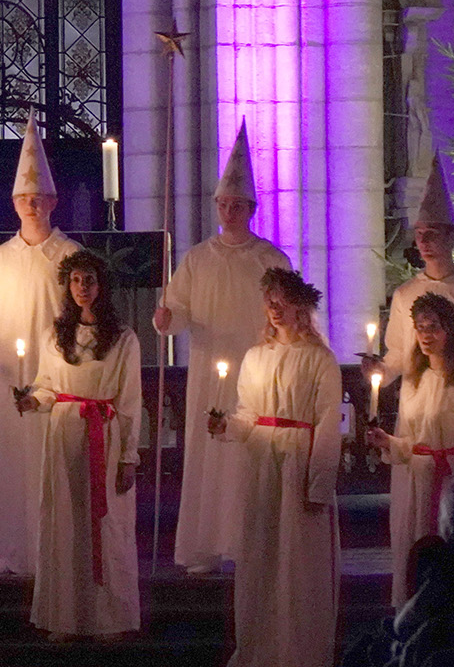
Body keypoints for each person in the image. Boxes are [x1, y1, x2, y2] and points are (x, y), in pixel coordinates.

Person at [153, 120, 293, 572]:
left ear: (250, 208)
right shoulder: (196, 259)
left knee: (248, 449)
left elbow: (290, 312)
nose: (230, 211)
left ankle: (249, 543)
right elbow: (177, 309)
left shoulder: (271, 259)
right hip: (209, 366)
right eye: (224, 204)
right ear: (216, 207)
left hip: (256, 370)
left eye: (237, 204)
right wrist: (166, 319)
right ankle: (206, 544)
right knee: (209, 452)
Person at [207, 266, 341, 667]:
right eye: (269, 300)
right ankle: (260, 649)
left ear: (301, 305)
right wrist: (226, 425)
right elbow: (249, 415)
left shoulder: (320, 359)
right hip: (263, 468)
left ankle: (298, 652)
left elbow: (328, 424)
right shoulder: (255, 357)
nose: (274, 307)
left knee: (297, 563)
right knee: (262, 558)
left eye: (282, 300)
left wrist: (317, 484)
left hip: (297, 466)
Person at [0, 115, 80, 575]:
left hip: (53, 372)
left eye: (38, 198)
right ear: (14, 204)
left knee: (48, 460)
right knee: (11, 461)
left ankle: (49, 549)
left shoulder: (70, 256)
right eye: (23, 198)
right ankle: (9, 550)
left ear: (52, 201)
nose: (31, 205)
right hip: (9, 375)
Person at [19, 251, 141, 640]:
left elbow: (130, 402)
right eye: (75, 281)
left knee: (105, 525)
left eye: (88, 280)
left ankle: (106, 618)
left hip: (103, 436)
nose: (81, 288)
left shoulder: (123, 338)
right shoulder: (55, 337)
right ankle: (66, 617)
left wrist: (129, 456)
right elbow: (47, 388)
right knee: (66, 524)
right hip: (64, 439)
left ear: (100, 285)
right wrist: (31, 400)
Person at [367, 291, 454, 604]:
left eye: (433, 326)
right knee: (415, 557)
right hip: (417, 484)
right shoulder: (413, 380)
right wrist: (390, 443)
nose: (425, 335)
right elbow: (413, 442)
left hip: (452, 483)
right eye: (420, 327)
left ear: (449, 330)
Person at [379, 159, 454, 382]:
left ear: (450, 236)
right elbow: (399, 353)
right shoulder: (404, 295)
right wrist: (382, 372)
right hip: (417, 400)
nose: (424, 242)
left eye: (432, 233)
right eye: (419, 234)